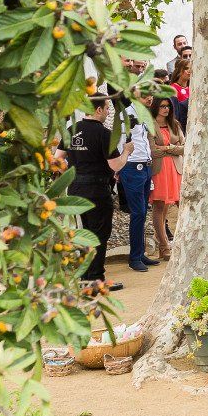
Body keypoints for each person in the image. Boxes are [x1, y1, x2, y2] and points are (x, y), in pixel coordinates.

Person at [69, 96, 129, 289]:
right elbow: (115, 165)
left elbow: (58, 158)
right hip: (97, 190)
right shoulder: (104, 134)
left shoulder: (72, 129)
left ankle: (85, 278)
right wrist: (126, 152)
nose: (108, 112)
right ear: (98, 110)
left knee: (85, 233)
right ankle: (96, 279)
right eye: (107, 109)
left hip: (76, 190)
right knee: (99, 234)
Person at [116, 100, 155, 273]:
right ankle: (134, 258)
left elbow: (144, 139)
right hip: (132, 166)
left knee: (143, 212)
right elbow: (119, 141)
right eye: (145, 94)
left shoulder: (145, 113)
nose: (149, 98)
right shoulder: (126, 114)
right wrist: (120, 166)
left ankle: (140, 253)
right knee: (138, 212)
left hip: (146, 165)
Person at [148, 93, 182, 261]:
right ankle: (164, 245)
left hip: (175, 169)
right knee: (159, 206)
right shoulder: (149, 125)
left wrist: (166, 148)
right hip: (159, 170)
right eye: (162, 106)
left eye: (168, 106)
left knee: (169, 207)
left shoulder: (175, 124)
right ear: (156, 107)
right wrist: (173, 148)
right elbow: (152, 151)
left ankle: (162, 242)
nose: (166, 109)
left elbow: (184, 147)